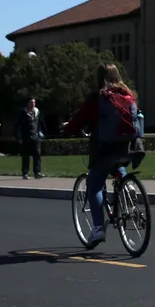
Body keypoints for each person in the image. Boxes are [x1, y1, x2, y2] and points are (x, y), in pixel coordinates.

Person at [61, 63, 143, 249]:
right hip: (128, 149)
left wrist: (67, 129)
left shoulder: (97, 98)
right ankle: (125, 184)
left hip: (104, 150)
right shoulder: (128, 95)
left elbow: (80, 120)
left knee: (95, 184)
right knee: (118, 165)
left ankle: (98, 228)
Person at [14, 97, 47, 180]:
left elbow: (40, 124)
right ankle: (25, 173)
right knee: (26, 156)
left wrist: (42, 134)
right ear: (28, 103)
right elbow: (18, 126)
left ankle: (37, 172)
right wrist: (19, 137)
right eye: (31, 102)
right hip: (26, 137)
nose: (33, 104)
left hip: (35, 137)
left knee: (37, 154)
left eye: (34, 102)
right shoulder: (23, 113)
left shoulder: (37, 112)